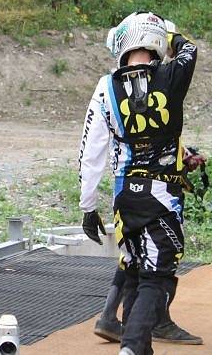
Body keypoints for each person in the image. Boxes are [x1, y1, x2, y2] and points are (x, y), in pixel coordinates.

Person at [78, 12, 199, 355]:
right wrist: (171, 32)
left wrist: (88, 206)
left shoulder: (106, 87)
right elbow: (189, 49)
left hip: (123, 198)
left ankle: (138, 348)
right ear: (156, 40)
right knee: (156, 276)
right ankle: (131, 348)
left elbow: (90, 151)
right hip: (161, 195)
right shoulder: (171, 74)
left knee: (133, 271)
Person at [93, 142, 206, 345]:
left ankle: (110, 316)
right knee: (159, 256)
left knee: (132, 255)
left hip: (127, 184)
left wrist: (182, 153)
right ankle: (157, 323)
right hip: (152, 186)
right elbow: (151, 136)